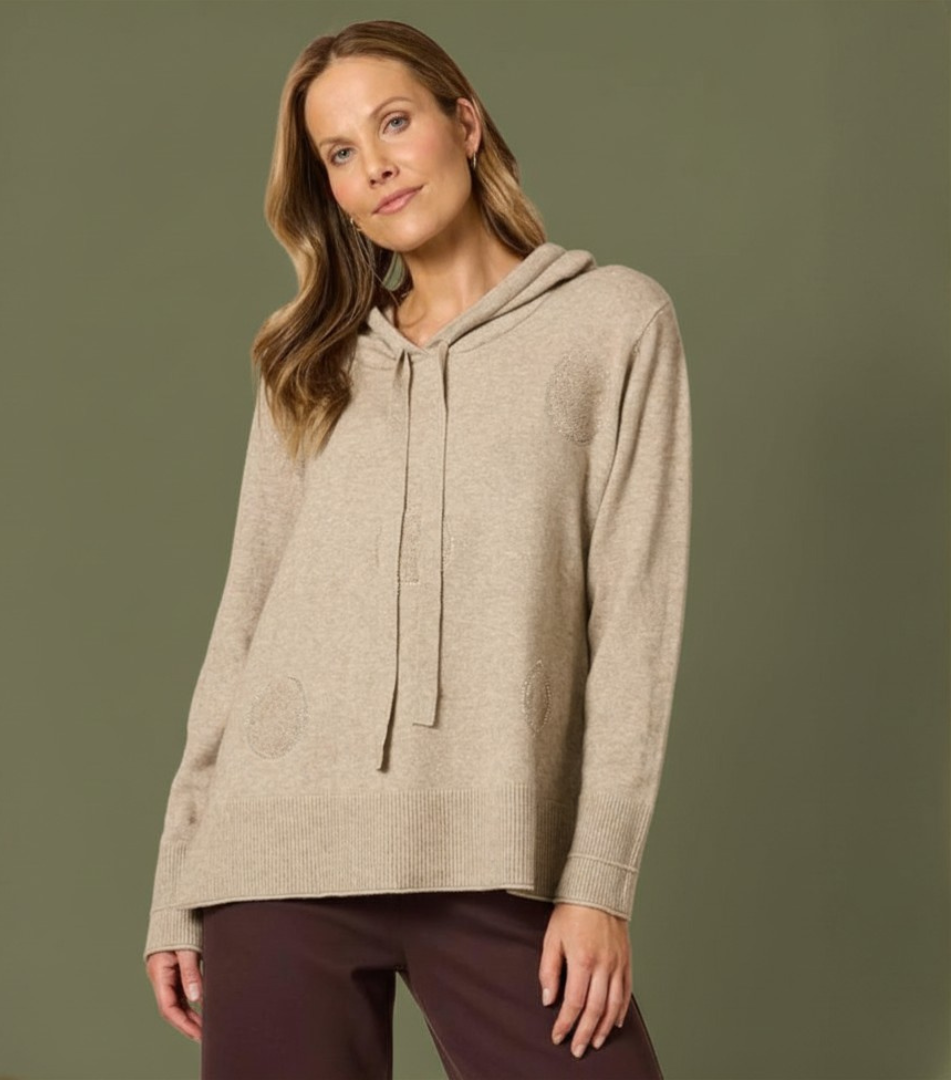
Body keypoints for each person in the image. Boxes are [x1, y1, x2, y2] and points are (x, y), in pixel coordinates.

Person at [142, 17, 691, 1080]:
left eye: (395, 123)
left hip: (499, 852)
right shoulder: (310, 360)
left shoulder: (614, 324)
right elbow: (245, 619)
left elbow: (636, 625)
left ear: (465, 124)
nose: (376, 166)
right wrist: (180, 878)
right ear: (332, 192)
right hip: (275, 852)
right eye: (341, 152)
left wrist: (599, 883)